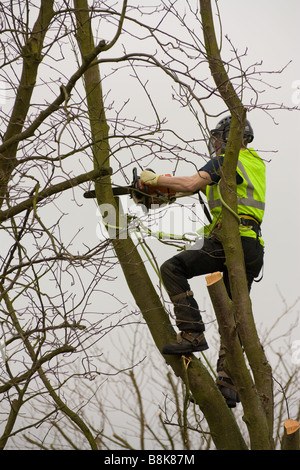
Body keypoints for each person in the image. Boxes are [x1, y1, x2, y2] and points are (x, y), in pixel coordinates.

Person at [140, 115, 266, 407]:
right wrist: (162, 195)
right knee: (233, 316)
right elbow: (198, 188)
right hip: (251, 247)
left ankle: (192, 332)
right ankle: (228, 381)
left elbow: (193, 182)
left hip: (230, 241)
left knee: (173, 268)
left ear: (230, 137)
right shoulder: (254, 163)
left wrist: (155, 180)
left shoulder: (227, 158)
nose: (215, 145)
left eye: (218, 139)